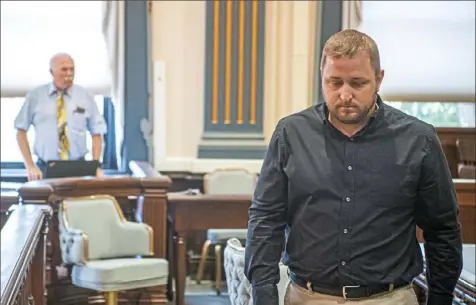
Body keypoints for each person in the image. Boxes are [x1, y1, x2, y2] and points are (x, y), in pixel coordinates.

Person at [245, 29, 462, 305]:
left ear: (379, 79)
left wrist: (440, 297)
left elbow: (442, 229)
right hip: (308, 297)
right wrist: (263, 293)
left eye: (357, 83)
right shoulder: (291, 133)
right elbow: (265, 219)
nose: (345, 95)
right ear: (321, 75)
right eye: (334, 82)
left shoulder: (419, 140)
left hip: (390, 298)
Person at [14, 53, 107, 181]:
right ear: (52, 72)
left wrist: (95, 165)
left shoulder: (85, 96)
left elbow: (97, 133)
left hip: (78, 167)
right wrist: (30, 166)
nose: (69, 73)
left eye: (72, 69)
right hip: (45, 168)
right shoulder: (36, 96)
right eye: (64, 69)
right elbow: (20, 131)